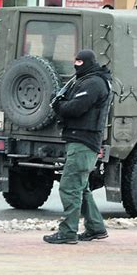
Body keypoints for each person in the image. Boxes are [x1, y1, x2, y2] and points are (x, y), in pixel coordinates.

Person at [43, 49, 112, 245]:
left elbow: (75, 108)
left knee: (69, 187)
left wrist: (58, 106)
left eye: (80, 62)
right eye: (75, 61)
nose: (76, 65)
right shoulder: (86, 80)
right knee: (81, 188)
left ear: (89, 62)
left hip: (84, 140)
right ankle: (96, 228)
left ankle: (68, 232)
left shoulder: (93, 83)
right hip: (81, 139)